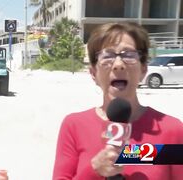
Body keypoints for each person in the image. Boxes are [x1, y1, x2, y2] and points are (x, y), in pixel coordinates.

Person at [52, 22, 183, 180]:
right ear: (93, 73)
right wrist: (94, 170)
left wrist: (129, 155)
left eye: (128, 55)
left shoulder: (171, 130)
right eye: (107, 56)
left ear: (143, 70)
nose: (118, 65)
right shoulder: (74, 126)